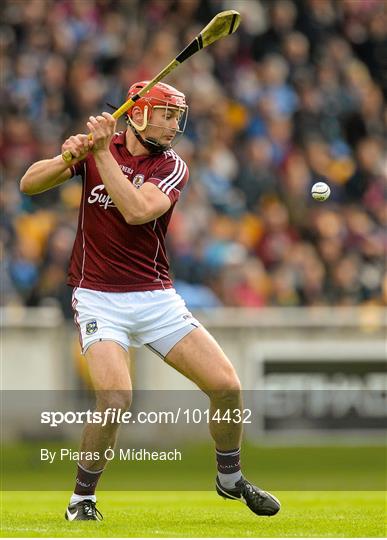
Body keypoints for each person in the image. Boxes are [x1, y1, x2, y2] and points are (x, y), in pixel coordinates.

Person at [20, 81, 280, 521]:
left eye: (178, 115)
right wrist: (73, 154)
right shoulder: (99, 149)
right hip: (98, 296)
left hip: (155, 297)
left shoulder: (172, 166)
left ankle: (229, 477)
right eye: (167, 114)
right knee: (116, 396)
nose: (175, 124)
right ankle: (82, 500)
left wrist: (99, 153)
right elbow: (29, 184)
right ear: (138, 114)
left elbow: (138, 210)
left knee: (228, 387)